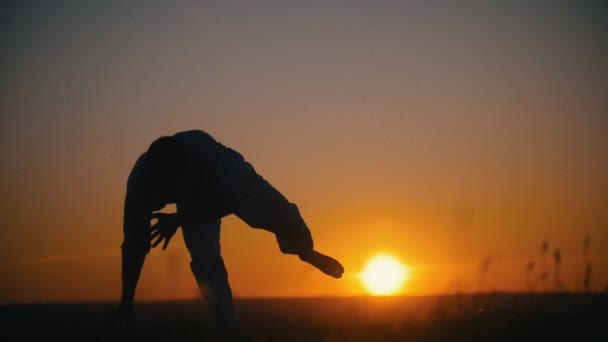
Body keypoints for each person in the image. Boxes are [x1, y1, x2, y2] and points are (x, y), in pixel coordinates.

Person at [114, 129, 344, 328]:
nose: (179, 184)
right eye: (172, 183)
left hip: (235, 178)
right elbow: (134, 245)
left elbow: (230, 201)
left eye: (182, 177)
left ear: (189, 164)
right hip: (191, 204)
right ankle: (228, 324)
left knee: (283, 215)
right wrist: (126, 305)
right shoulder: (140, 185)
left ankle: (305, 251)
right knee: (205, 259)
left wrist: (178, 219)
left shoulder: (204, 148)